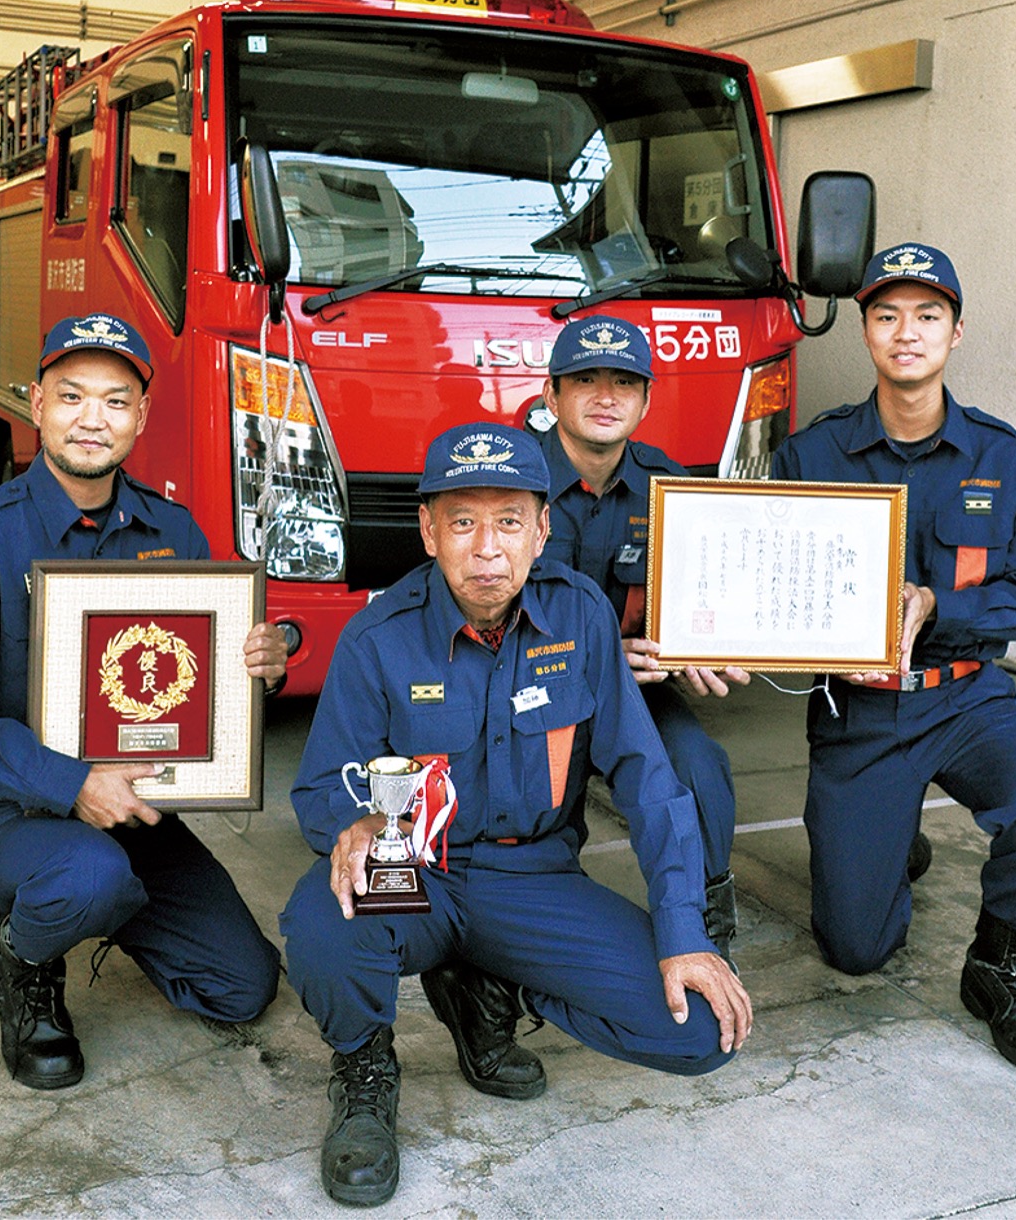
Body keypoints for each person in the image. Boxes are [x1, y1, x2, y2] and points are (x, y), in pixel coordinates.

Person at [281, 422, 751, 1207]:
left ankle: (492, 979)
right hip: (419, 871)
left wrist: (684, 933)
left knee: (698, 1033)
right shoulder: (378, 638)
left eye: (508, 522)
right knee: (324, 926)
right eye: (463, 522)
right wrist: (354, 824)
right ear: (429, 531)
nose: (487, 549)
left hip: (530, 876)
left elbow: (649, 780)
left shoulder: (581, 617)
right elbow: (321, 783)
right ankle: (363, 1073)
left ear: (542, 530)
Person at [0, 313, 287, 1090]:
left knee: (243, 988)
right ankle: (29, 960)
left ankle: (108, 895)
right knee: (87, 876)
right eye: (71, 396)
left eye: (115, 401)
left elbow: (206, 678)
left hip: (139, 811)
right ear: (36, 405)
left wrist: (260, 665)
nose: (92, 419)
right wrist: (71, 783)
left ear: (140, 417)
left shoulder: (173, 529)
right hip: (4, 816)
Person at [771, 243, 1016, 1074]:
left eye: (927, 315)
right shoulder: (811, 457)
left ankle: (999, 967)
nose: (906, 332)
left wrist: (939, 604)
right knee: (854, 950)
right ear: (867, 330)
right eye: (886, 314)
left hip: (968, 701)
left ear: (955, 331)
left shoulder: (1007, 460)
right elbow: (768, 582)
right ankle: (889, 835)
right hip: (860, 712)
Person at [530, 314, 745, 958]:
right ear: (551, 396)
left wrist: (701, 649)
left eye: (623, 382)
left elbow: (705, 599)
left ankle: (708, 916)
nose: (605, 397)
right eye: (585, 381)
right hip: (527, 694)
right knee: (529, 815)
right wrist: (596, 659)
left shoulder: (671, 490)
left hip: (636, 692)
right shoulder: (512, 485)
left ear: (646, 400)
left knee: (698, 767)